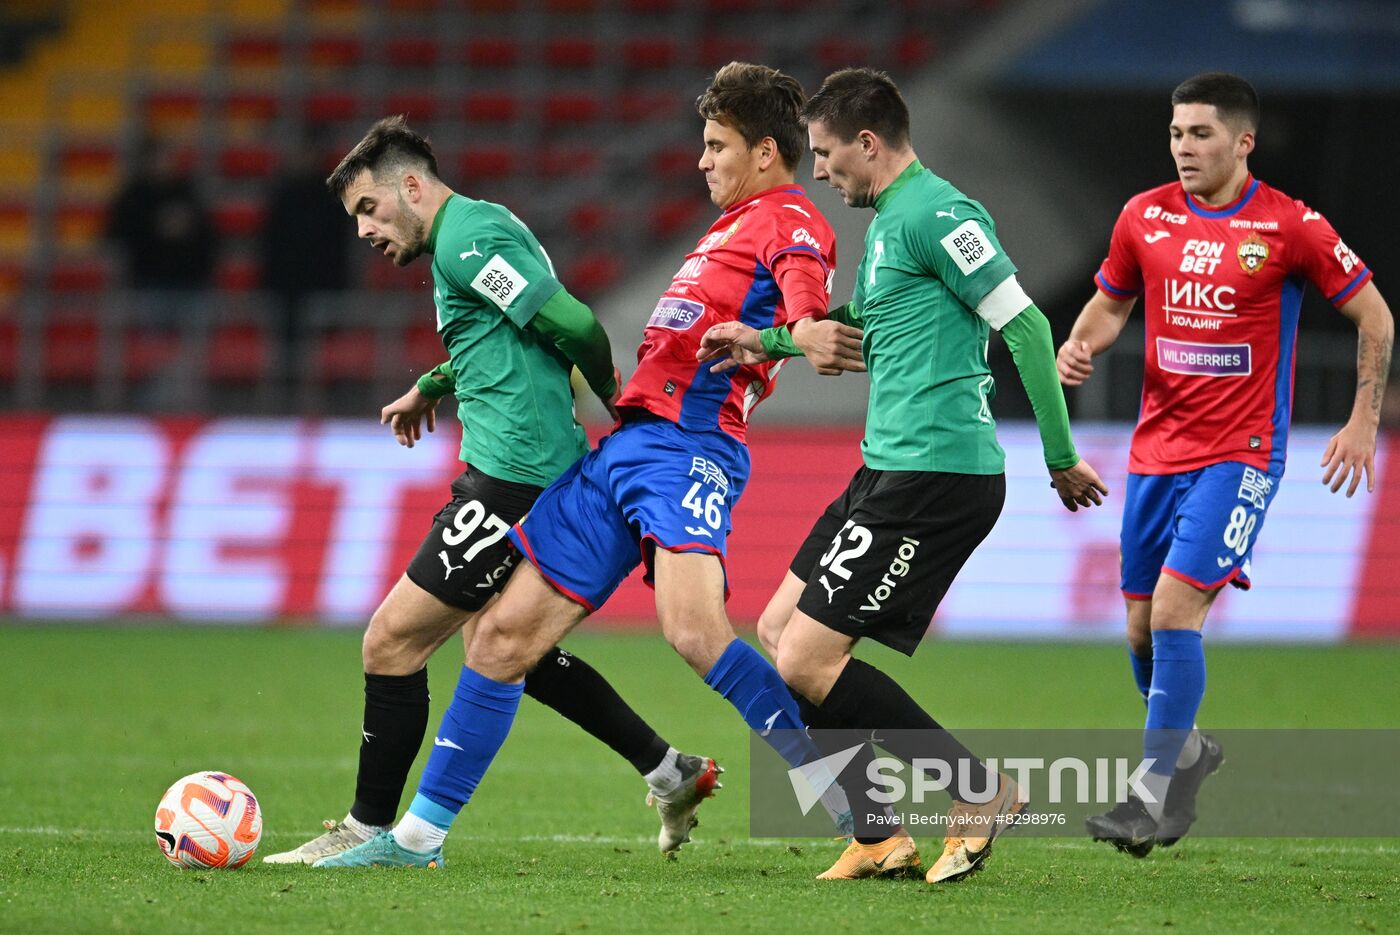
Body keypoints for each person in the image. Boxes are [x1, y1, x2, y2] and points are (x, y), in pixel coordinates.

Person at [315, 63, 866, 869]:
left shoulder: (789, 219)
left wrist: (793, 332)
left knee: (694, 631)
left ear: (763, 152)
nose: (702, 160)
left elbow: (805, 304)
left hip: (685, 446)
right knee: (500, 637)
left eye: (716, 146)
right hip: (627, 449)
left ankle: (856, 804)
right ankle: (417, 839)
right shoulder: (730, 225)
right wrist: (438, 382)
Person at [263, 116, 718, 865]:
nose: (364, 231)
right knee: (510, 646)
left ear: (412, 187)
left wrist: (622, 406)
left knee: (392, 641)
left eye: (369, 209)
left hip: (514, 479)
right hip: (523, 469)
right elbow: (509, 328)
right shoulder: (475, 233)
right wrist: (433, 382)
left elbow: (573, 322)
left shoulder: (466, 239)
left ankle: (368, 829)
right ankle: (670, 770)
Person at [698, 67, 1108, 883]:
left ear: (868, 142)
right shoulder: (891, 223)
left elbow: (1025, 324)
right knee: (778, 631)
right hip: (887, 466)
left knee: (807, 659)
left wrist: (1060, 455)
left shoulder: (940, 213)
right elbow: (863, 322)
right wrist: (764, 340)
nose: (819, 170)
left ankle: (979, 791)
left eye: (825, 154)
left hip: (938, 473)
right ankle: (879, 833)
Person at [1057, 72, 1393, 856]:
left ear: (1243, 142)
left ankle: (1151, 795)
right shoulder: (1143, 216)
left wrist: (1363, 419)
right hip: (1155, 451)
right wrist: (1081, 342)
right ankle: (1189, 753)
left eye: (1200, 134)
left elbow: (1374, 314)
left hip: (1241, 454)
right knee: (1140, 629)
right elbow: (1112, 301)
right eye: (1176, 133)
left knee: (1176, 612)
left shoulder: (1291, 226)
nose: (1183, 147)